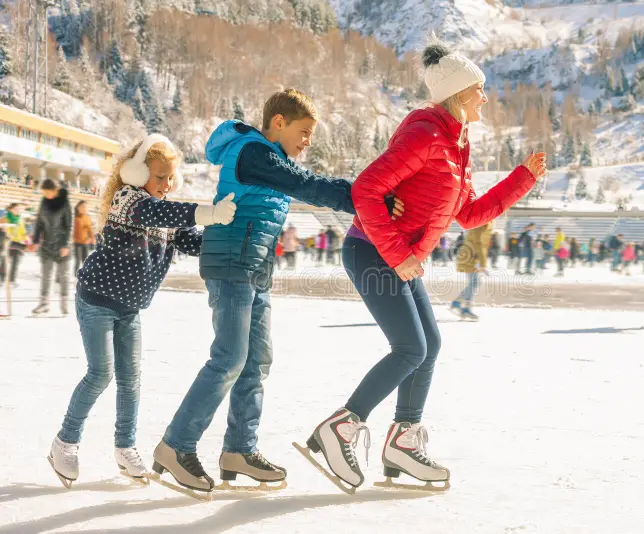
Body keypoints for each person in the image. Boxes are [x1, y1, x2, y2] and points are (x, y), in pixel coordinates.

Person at [302, 40, 546, 491]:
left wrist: (522, 178)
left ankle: (402, 442)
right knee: (411, 349)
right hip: (373, 250)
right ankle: (340, 427)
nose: (485, 98)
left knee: (428, 345)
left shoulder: (456, 148)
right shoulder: (427, 135)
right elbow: (367, 191)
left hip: (400, 258)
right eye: (480, 90)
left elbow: (469, 215)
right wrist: (399, 254)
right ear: (458, 92)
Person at [154, 88, 404, 494]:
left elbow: (294, 183)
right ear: (279, 123)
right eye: (303, 132)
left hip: (254, 268)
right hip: (231, 262)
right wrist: (366, 197)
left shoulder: (269, 159)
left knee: (256, 362)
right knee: (230, 358)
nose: (307, 142)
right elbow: (304, 184)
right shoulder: (254, 152)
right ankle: (176, 445)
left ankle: (239, 450)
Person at [47, 134, 237, 487]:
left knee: (131, 381)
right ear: (138, 173)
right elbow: (156, 211)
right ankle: (65, 442)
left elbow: (194, 242)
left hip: (130, 309)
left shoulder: (169, 212)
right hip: (97, 300)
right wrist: (208, 213)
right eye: (159, 176)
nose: (165, 185)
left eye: (170, 178)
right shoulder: (128, 200)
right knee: (100, 373)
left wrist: (228, 232)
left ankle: (125, 447)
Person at [31, 179, 72, 315]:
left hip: (61, 245)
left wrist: (65, 244)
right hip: (47, 245)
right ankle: (44, 304)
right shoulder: (44, 202)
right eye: (43, 192)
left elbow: (68, 225)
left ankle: (64, 303)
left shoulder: (64, 202)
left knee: (63, 276)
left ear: (54, 190)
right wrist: (35, 240)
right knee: (46, 276)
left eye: (46, 192)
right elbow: (39, 223)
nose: (44, 195)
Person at [450, 221, 492, 320]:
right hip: (470, 256)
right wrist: (483, 263)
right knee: (475, 282)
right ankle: (461, 305)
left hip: (471, 255)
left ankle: (462, 305)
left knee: (474, 282)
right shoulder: (483, 221)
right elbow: (479, 243)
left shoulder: (486, 220)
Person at [1, 203, 27, 287]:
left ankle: (12, 280)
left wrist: (25, 240)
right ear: (10, 209)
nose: (18, 210)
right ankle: (1, 279)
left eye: (19, 209)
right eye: (16, 209)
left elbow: (23, 232)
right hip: (7, 243)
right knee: (4, 262)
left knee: (16, 262)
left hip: (18, 243)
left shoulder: (21, 220)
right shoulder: (4, 219)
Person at [72, 200, 95, 277]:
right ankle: (75, 276)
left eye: (86, 207)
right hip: (77, 243)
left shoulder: (87, 218)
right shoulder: (76, 218)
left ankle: (85, 276)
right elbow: (75, 232)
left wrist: (92, 238)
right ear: (78, 208)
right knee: (77, 261)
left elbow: (89, 229)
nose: (85, 208)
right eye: (83, 207)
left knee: (85, 261)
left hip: (85, 243)